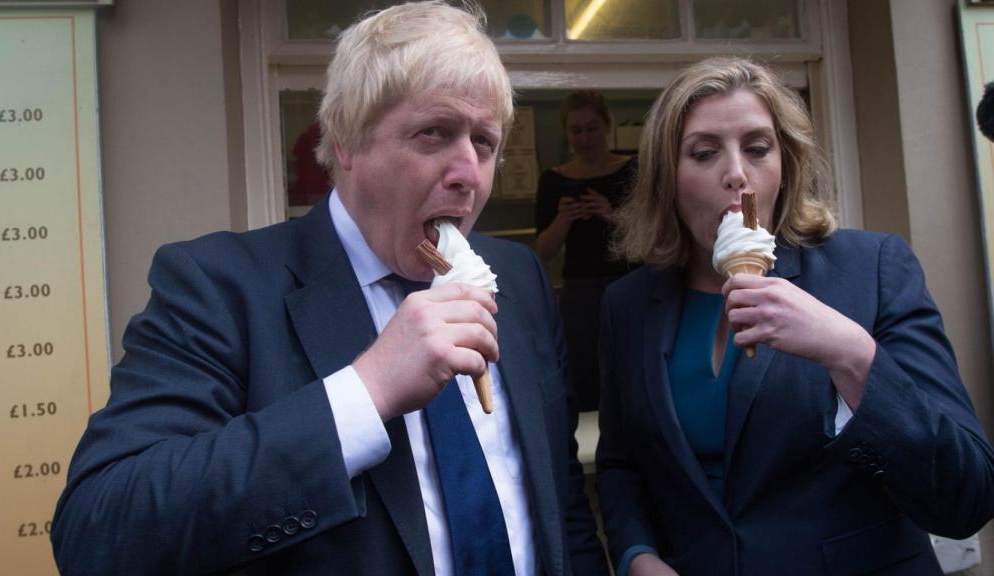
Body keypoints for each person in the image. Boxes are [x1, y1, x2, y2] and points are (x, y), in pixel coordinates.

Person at [51, 3, 608, 575]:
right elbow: (99, 531)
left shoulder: (517, 279)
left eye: (485, 143)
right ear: (345, 141)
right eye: (434, 133)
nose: (469, 172)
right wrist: (366, 393)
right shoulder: (220, 287)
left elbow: (559, 497)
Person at [596, 56, 994, 575]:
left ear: (787, 164)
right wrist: (637, 555)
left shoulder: (871, 270)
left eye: (758, 148)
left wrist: (849, 353)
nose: (736, 172)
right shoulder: (628, 306)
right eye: (703, 152)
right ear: (666, 177)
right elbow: (622, 466)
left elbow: (966, 496)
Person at [534, 90, 635, 411]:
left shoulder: (633, 170)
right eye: (576, 130)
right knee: (584, 370)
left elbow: (655, 236)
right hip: (580, 290)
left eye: (591, 128)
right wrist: (564, 219)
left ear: (606, 125)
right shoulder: (553, 180)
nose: (584, 137)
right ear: (566, 133)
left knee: (630, 366)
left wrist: (610, 213)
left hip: (629, 283)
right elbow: (542, 252)